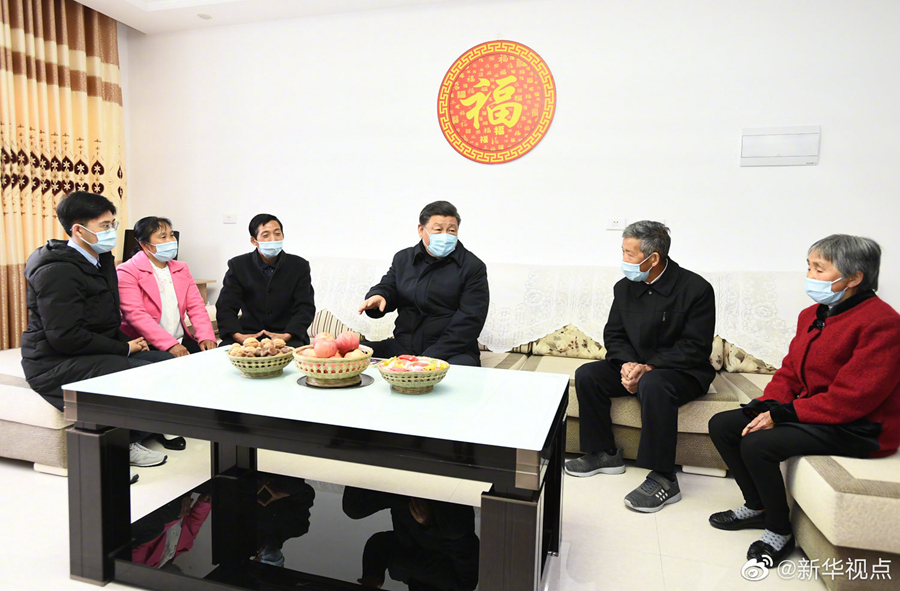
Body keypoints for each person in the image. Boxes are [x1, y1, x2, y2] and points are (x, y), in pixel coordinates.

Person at [708, 235, 900, 567]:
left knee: (758, 444)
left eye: (819, 269)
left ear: (855, 277)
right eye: (809, 267)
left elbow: (853, 398)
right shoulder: (812, 314)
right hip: (818, 412)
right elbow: (790, 373)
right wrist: (769, 405)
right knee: (723, 425)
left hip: (859, 427)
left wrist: (782, 415)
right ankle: (757, 505)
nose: (809, 276)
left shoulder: (884, 323)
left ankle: (779, 531)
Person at [564, 220, 716, 513]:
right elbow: (615, 335)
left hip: (683, 371)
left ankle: (664, 478)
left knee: (653, 383)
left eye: (629, 253)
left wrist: (649, 367)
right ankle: (605, 453)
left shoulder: (696, 289)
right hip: (636, 367)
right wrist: (626, 365)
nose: (623, 259)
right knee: (588, 375)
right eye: (623, 251)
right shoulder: (624, 288)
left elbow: (695, 347)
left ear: (653, 258)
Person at [20, 191, 172, 468]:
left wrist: (129, 343)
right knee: (135, 372)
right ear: (78, 230)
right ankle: (119, 448)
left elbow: (104, 319)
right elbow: (65, 336)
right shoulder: (58, 271)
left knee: (164, 362)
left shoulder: (101, 259)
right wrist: (124, 348)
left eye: (113, 224)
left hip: (89, 350)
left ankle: (140, 433)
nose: (111, 231)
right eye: (104, 226)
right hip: (53, 361)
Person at [117, 216, 217, 450]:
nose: (171, 240)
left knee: (212, 358)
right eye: (162, 237)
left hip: (180, 336)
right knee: (168, 366)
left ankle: (199, 415)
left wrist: (206, 337)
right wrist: (170, 344)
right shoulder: (127, 271)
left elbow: (196, 307)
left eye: (171, 235)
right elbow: (136, 315)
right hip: (146, 342)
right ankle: (167, 425)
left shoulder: (181, 268)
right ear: (145, 245)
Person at [358, 201, 489, 366]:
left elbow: (470, 322)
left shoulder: (472, 267)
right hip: (404, 347)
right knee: (353, 354)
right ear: (421, 230)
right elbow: (389, 286)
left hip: (452, 351)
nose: (445, 236)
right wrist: (379, 296)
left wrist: (426, 359)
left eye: (451, 230)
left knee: (456, 372)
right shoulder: (403, 259)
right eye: (438, 229)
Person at [216, 214, 315, 348]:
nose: (273, 239)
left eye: (277, 234)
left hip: (286, 335)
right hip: (249, 334)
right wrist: (237, 335)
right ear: (254, 240)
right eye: (266, 235)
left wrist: (288, 334)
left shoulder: (299, 266)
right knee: (225, 352)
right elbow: (226, 306)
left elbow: (305, 307)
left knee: (294, 353)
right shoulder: (238, 266)